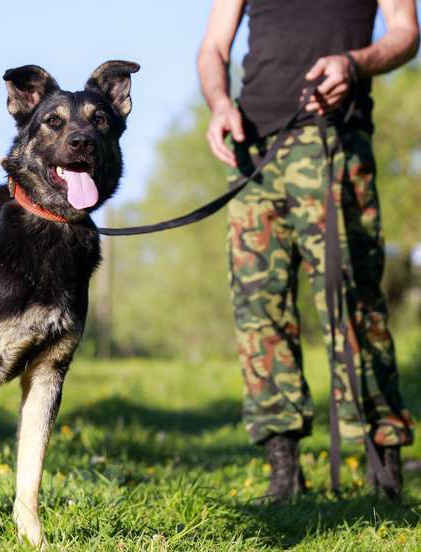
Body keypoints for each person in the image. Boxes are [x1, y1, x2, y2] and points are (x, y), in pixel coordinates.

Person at [197, 0, 419, 502]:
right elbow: (212, 47)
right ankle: (284, 469)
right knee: (258, 309)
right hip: (251, 149)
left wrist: (354, 64)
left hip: (335, 140)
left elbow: (406, 32)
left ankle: (383, 461)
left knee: (352, 301)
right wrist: (220, 104)